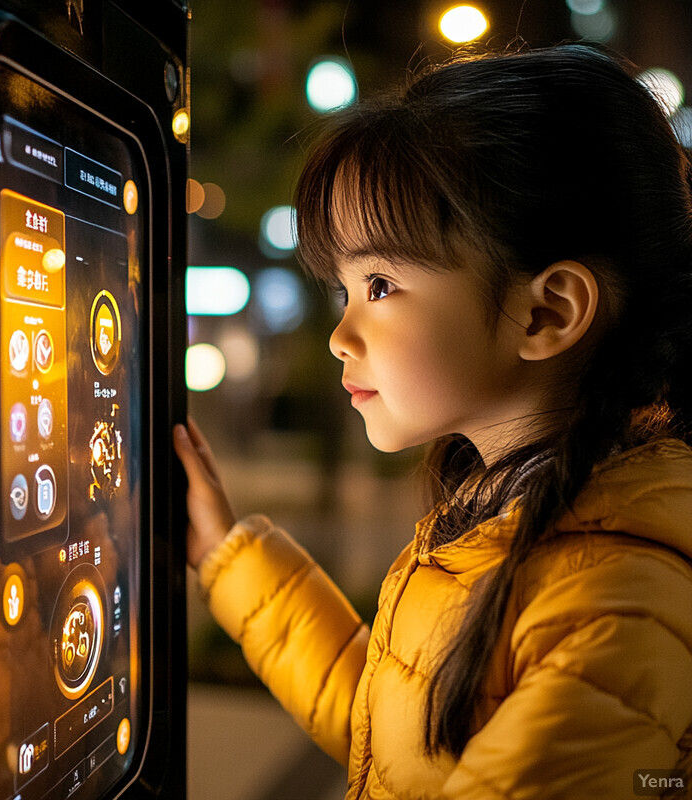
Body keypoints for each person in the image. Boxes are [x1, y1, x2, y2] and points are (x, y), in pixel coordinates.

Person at [174, 44, 692, 799]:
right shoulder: (513, 513)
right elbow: (401, 733)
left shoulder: (612, 601)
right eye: (344, 288)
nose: (339, 335)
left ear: (547, 311)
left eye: (379, 284)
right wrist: (229, 553)